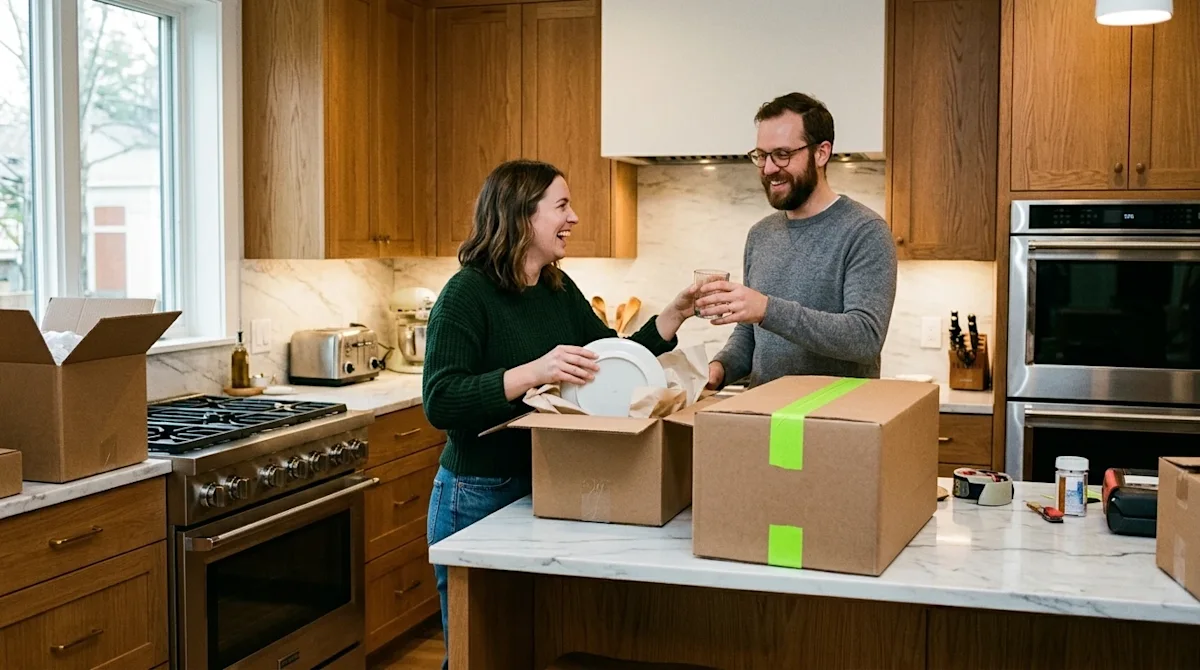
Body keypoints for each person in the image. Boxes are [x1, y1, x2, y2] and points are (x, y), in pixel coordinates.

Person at [422, 159, 697, 669]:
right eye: (562, 206)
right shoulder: (465, 294)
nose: (574, 218)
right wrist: (533, 371)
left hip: (544, 484)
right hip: (476, 493)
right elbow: (440, 400)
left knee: (527, 644)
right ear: (521, 215)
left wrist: (675, 313)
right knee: (477, 652)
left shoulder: (557, 288)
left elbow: (614, 359)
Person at [695, 92, 898, 389]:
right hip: (763, 412)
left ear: (821, 153)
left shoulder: (865, 231)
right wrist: (720, 369)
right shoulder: (761, 235)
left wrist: (768, 309)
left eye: (782, 154)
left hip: (836, 414)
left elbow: (865, 338)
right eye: (761, 155)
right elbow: (750, 335)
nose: (768, 169)